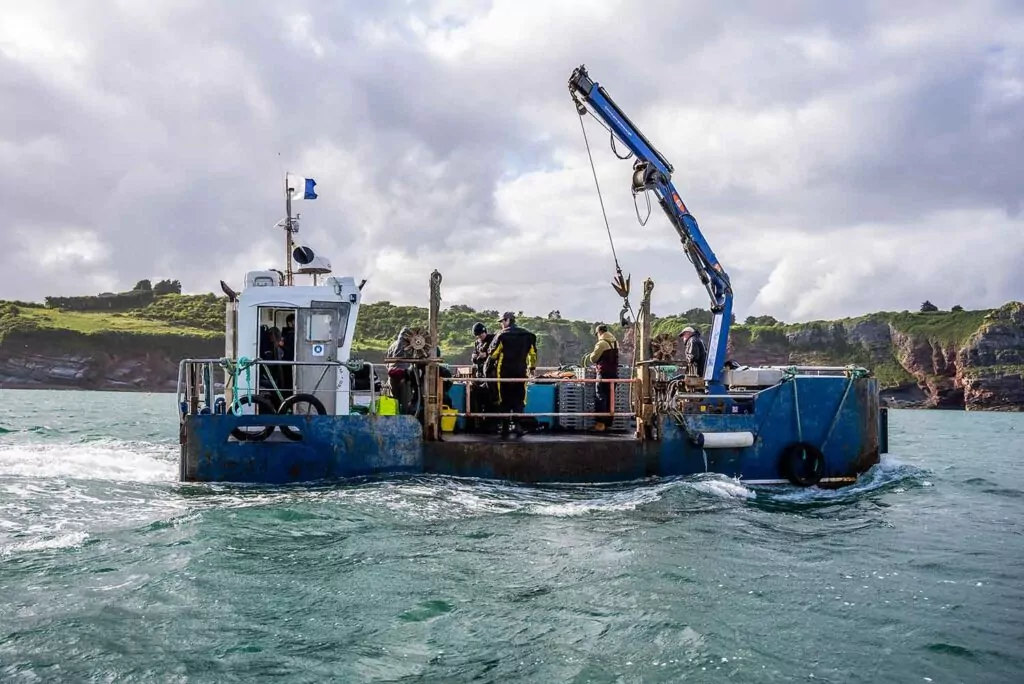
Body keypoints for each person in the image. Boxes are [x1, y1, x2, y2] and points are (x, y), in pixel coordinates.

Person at [485, 312, 537, 438]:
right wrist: (532, 367)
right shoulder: (528, 335)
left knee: (505, 400)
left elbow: (493, 354)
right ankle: (518, 427)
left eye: (502, 321)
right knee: (519, 399)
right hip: (520, 373)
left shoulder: (502, 336)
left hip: (504, 373)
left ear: (508, 320)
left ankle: (505, 429)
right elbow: (533, 354)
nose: (501, 324)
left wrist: (487, 369)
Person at [584, 324, 618, 432]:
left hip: (603, 374)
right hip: (614, 374)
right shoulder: (615, 342)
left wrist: (590, 355)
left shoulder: (602, 343)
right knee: (610, 398)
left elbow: (593, 359)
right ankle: (608, 423)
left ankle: (600, 424)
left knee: (600, 397)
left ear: (599, 333)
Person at [470, 322, 496, 431]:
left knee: (491, 400)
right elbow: (474, 358)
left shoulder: (493, 340)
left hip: (490, 374)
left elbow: (496, 354)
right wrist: (475, 357)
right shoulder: (477, 343)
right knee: (478, 398)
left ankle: (491, 424)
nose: (479, 337)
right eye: (477, 336)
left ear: (485, 332)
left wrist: (486, 355)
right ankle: (478, 423)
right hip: (480, 374)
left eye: (481, 335)